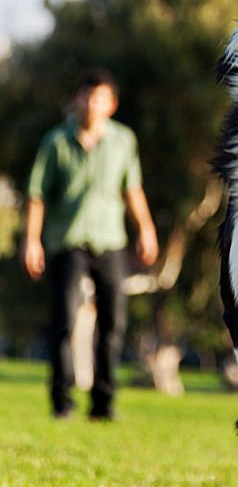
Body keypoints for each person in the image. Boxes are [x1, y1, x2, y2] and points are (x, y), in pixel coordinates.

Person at [21, 69, 159, 419]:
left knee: (113, 324)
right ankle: (62, 401)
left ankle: (103, 402)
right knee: (64, 322)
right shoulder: (56, 142)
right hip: (67, 241)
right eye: (85, 96)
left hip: (111, 241)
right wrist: (31, 241)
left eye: (99, 98)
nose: (90, 104)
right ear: (77, 99)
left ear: (111, 104)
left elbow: (133, 189)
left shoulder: (123, 141)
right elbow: (36, 195)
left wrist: (145, 228)